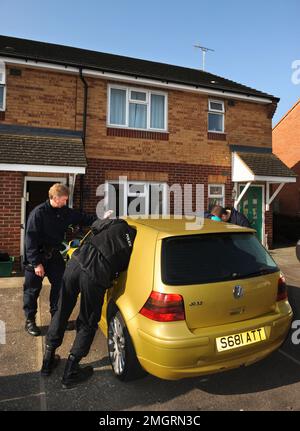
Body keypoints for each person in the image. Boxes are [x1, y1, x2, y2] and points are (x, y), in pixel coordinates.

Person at [40, 217, 137, 389]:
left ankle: (47, 362)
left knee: (62, 310)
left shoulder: (118, 223)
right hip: (96, 273)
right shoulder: (137, 244)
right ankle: (70, 371)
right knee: (88, 320)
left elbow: (95, 226)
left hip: (76, 263)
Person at [23, 183, 97, 337]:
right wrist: (36, 263)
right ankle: (30, 320)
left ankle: (56, 319)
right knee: (32, 290)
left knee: (60, 286)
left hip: (54, 256)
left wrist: (102, 220)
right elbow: (30, 240)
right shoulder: (38, 214)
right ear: (54, 198)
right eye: (63, 200)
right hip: (37, 256)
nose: (65, 203)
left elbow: (82, 218)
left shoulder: (64, 212)